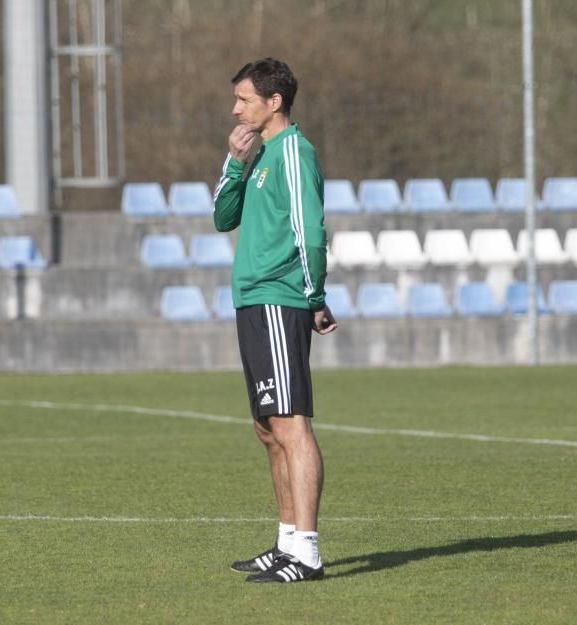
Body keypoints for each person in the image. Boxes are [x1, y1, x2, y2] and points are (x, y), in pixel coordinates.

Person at [212, 58, 337, 584]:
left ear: (273, 102)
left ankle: (306, 553)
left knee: (292, 426)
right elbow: (222, 218)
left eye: (244, 99)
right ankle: (286, 542)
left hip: (279, 299)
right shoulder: (258, 156)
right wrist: (234, 163)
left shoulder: (293, 153)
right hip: (252, 301)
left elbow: (311, 229)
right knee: (268, 429)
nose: (236, 108)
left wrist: (313, 296)